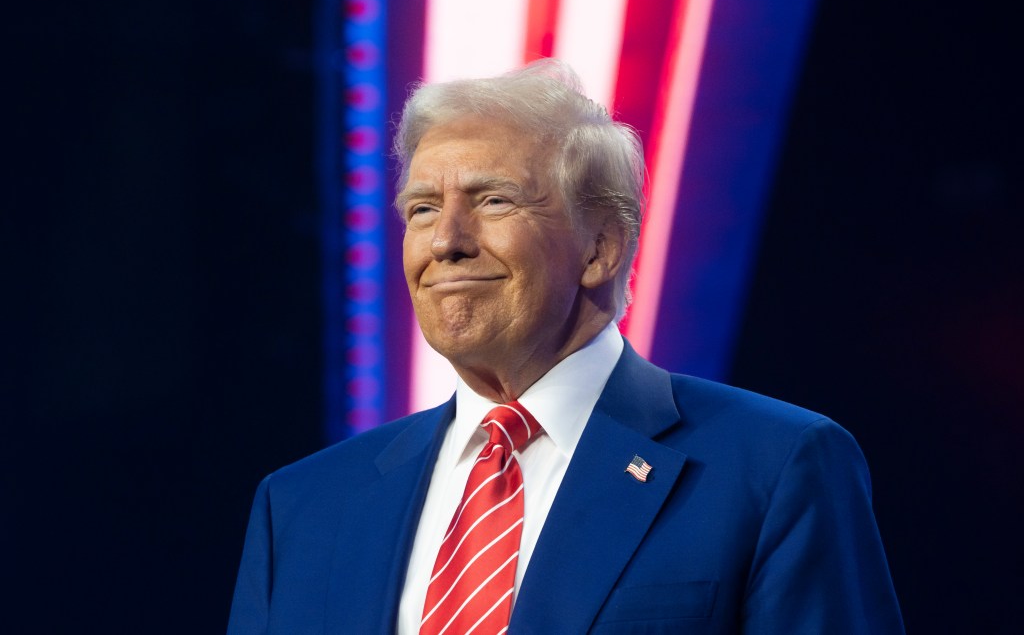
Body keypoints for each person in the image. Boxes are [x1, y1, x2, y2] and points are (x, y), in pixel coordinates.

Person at [227, 60, 904, 634]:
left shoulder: (776, 467)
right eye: (423, 209)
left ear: (601, 248)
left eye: (493, 201)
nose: (445, 241)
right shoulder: (302, 508)